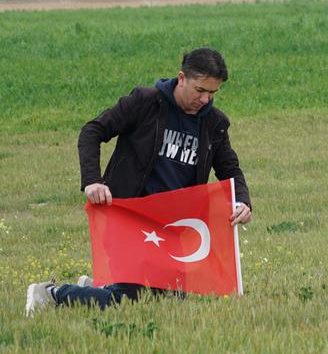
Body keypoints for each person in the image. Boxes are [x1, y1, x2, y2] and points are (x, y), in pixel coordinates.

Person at [26, 47, 252, 315]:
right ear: (182, 78)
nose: (205, 99)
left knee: (167, 303)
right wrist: (92, 181)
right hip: (127, 219)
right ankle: (52, 294)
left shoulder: (214, 123)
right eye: (200, 90)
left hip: (172, 230)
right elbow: (92, 131)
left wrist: (243, 203)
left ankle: (101, 288)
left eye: (212, 93)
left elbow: (230, 170)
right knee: (132, 302)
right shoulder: (145, 102)